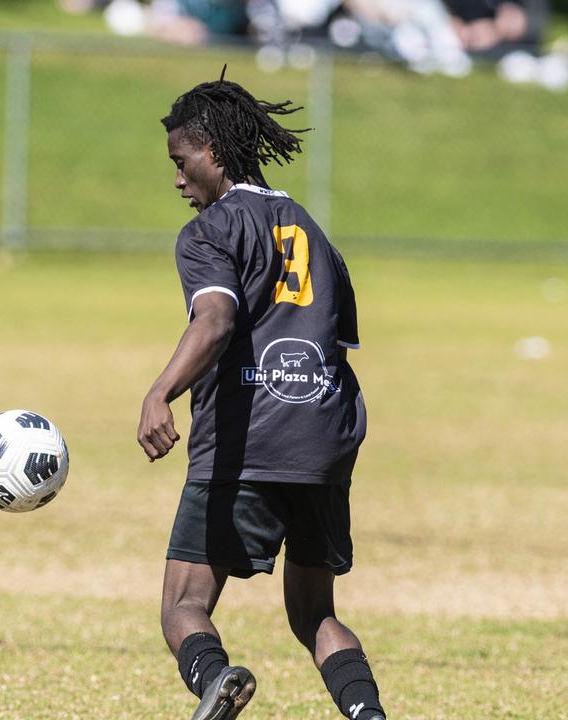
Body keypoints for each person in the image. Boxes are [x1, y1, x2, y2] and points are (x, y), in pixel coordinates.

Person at [138, 72, 384, 720]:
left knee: (183, 605)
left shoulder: (211, 231)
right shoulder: (312, 230)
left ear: (213, 152)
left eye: (182, 162)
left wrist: (161, 390)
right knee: (315, 613)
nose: (178, 180)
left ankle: (216, 680)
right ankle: (368, 714)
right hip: (325, 440)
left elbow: (214, 319)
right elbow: (337, 338)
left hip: (249, 444)